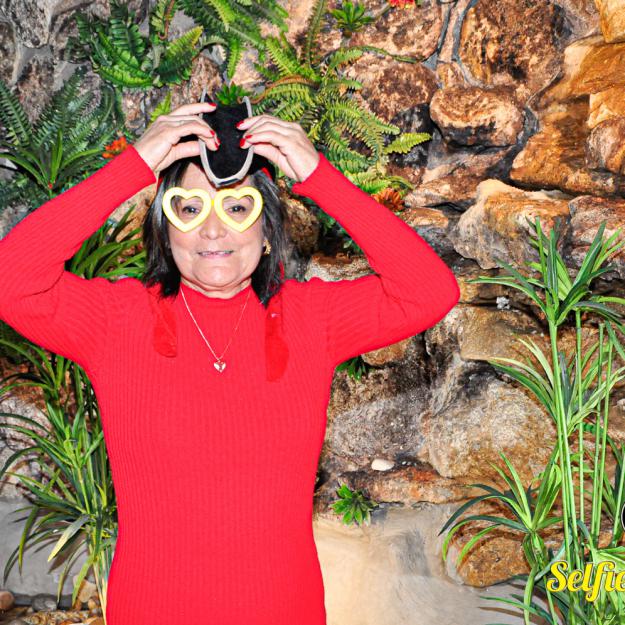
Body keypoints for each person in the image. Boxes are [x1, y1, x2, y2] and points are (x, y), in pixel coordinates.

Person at [0, 100, 460, 625]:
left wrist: (319, 175)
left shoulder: (311, 319)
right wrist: (133, 166)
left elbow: (431, 291)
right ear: (164, 229)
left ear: (267, 232)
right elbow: (10, 280)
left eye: (238, 208)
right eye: (189, 209)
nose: (214, 230)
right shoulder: (117, 320)